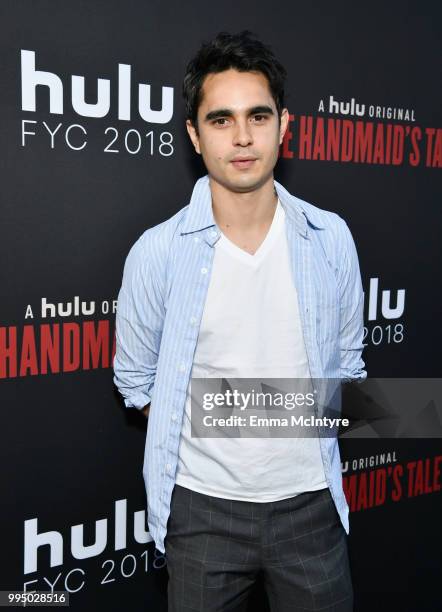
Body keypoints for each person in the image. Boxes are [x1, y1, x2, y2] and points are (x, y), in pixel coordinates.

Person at [113, 29, 366, 612]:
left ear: (286, 126)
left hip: (312, 507)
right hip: (201, 511)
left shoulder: (331, 239)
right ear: (194, 136)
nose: (244, 136)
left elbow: (349, 363)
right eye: (221, 119)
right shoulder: (158, 251)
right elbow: (137, 382)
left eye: (258, 115)